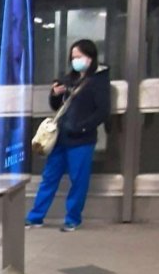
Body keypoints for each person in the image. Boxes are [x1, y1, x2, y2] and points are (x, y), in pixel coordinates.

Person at [26, 39, 111, 232]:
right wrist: (55, 94)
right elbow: (57, 106)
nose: (76, 61)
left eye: (79, 57)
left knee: (78, 181)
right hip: (60, 138)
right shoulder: (69, 79)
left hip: (82, 140)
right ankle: (35, 217)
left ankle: (73, 218)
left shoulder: (98, 81)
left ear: (90, 58)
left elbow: (102, 111)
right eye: (73, 57)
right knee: (49, 178)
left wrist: (82, 128)